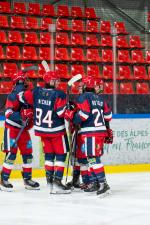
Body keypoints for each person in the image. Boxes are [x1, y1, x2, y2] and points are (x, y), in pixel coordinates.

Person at [18, 71, 71, 194]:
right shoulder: (59, 94)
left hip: (42, 130)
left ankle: (49, 182)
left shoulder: (36, 91)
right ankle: (57, 182)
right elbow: (60, 113)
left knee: (49, 156)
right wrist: (68, 108)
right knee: (61, 155)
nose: (58, 82)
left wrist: (25, 88)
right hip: (56, 130)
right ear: (50, 81)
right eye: (56, 80)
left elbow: (22, 97)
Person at [65, 76, 113, 197]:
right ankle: (96, 182)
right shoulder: (101, 99)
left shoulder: (83, 97)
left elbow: (84, 115)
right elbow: (108, 116)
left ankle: (103, 183)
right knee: (93, 158)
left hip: (91, 132)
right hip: (100, 131)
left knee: (92, 158)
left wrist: (72, 115)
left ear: (86, 86)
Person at [0, 71, 40, 192]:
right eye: (24, 80)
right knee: (11, 155)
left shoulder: (29, 95)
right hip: (12, 129)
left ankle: (27, 179)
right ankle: (3, 179)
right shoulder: (13, 96)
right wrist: (21, 116)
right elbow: (8, 113)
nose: (26, 82)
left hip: (23, 131)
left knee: (28, 155)